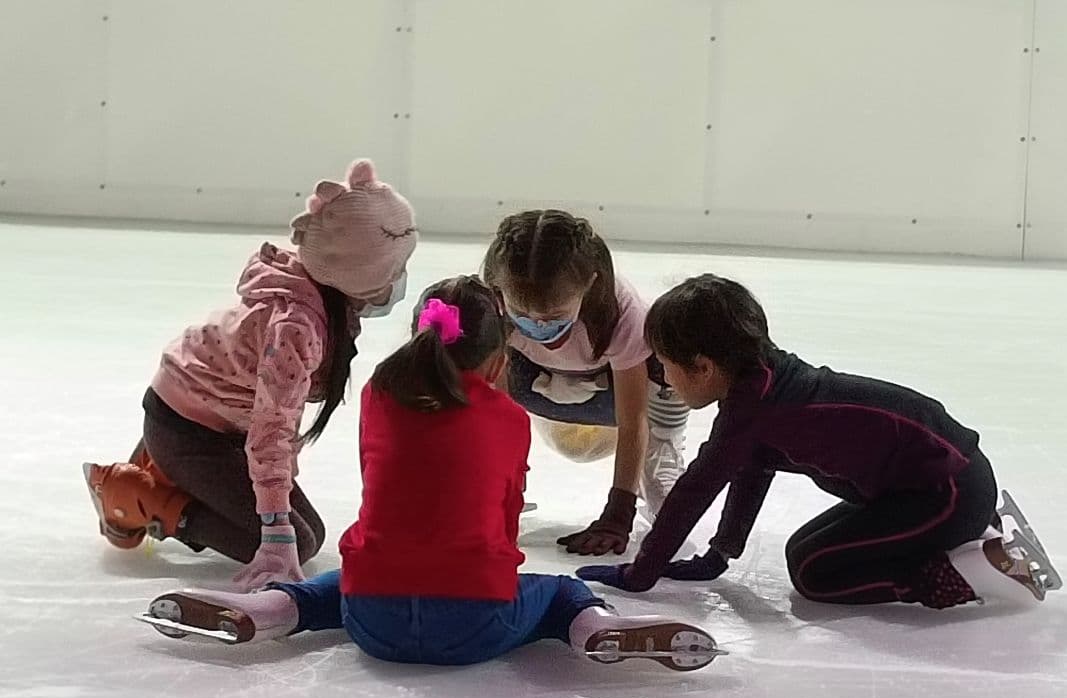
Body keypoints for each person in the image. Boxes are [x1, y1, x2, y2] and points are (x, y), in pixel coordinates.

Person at [136, 276, 723, 671]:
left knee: (332, 586)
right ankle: (592, 628)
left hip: (372, 619)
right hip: (474, 625)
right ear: (498, 359)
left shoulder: (379, 394)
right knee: (561, 593)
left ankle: (272, 611)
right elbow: (504, 524)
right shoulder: (508, 417)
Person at [577, 274, 1061, 609]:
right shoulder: (761, 382)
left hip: (949, 494)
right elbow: (753, 465)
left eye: (665, 365)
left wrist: (640, 574)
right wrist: (719, 553)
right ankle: (978, 541)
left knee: (816, 573)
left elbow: (695, 489)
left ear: (703, 367)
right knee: (804, 551)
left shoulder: (758, 407)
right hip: (935, 484)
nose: (663, 378)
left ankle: (974, 572)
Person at [84, 159, 416, 590]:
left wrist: (274, 495)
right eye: (393, 271)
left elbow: (278, 417)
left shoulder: (316, 293)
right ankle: (145, 497)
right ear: (356, 274)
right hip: (187, 428)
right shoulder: (296, 328)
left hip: (216, 418)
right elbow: (272, 428)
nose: (398, 281)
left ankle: (169, 469)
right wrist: (274, 525)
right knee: (295, 542)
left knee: (309, 533)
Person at [482, 210, 689, 557]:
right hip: (538, 391)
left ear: (589, 285)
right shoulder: (491, 306)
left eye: (554, 317)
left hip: (611, 399)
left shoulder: (622, 312)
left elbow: (632, 419)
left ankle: (661, 447)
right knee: (463, 349)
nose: (539, 326)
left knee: (676, 336)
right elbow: (497, 414)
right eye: (524, 315)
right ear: (498, 289)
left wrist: (619, 512)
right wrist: (501, 491)